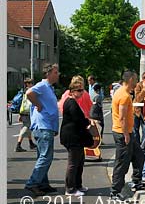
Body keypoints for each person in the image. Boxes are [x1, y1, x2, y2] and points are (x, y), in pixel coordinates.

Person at [110, 71, 145, 201]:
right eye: (136, 79)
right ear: (130, 79)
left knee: (139, 156)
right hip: (122, 133)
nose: (137, 82)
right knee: (122, 162)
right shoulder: (124, 96)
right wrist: (126, 134)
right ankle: (115, 191)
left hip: (127, 132)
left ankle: (136, 181)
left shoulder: (121, 92)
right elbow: (122, 117)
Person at [24, 63, 60, 196]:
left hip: (46, 126)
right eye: (56, 72)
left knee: (42, 156)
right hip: (43, 126)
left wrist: (54, 127)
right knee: (46, 157)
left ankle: (43, 184)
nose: (58, 75)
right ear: (48, 74)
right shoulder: (43, 85)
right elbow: (29, 93)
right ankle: (33, 183)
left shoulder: (49, 88)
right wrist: (38, 104)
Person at [59, 77, 94, 196]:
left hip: (76, 136)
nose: (81, 92)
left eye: (82, 90)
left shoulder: (73, 102)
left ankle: (78, 185)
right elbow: (77, 119)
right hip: (71, 136)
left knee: (80, 161)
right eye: (79, 90)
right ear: (72, 91)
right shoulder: (71, 102)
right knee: (73, 163)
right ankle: (70, 188)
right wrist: (87, 122)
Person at [15, 78, 37, 152]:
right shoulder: (29, 91)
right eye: (30, 83)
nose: (32, 84)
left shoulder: (23, 91)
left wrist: (20, 114)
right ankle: (18, 145)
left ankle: (31, 143)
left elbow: (22, 103)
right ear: (27, 84)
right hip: (27, 112)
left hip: (23, 111)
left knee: (28, 127)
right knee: (26, 127)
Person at [133, 72, 145, 145]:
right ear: (143, 79)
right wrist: (144, 89)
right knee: (135, 130)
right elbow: (138, 99)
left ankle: (143, 147)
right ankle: (137, 147)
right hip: (137, 111)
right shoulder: (139, 85)